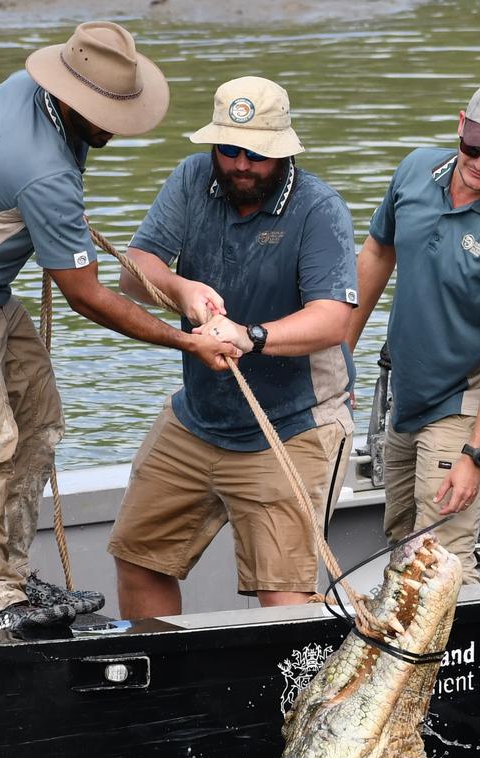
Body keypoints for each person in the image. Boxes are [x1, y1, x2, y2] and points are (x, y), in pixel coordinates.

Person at [0, 22, 240, 632]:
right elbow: (88, 297)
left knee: (39, 419)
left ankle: (14, 576)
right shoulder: (41, 169)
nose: (112, 127)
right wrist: (183, 338)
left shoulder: (33, 93)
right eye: (105, 115)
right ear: (71, 99)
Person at [109, 76, 358, 618]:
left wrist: (251, 337)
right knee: (138, 559)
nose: (240, 164)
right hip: (198, 417)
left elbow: (333, 320)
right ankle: (165, 689)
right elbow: (135, 273)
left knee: (282, 594)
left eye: (256, 153)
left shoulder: (320, 209)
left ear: (283, 150)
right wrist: (181, 288)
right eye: (228, 149)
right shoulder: (192, 178)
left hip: (292, 426)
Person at [347, 81, 480, 584]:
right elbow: (375, 255)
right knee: (400, 543)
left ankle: (447, 662)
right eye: (473, 147)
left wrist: (474, 456)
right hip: (407, 399)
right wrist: (339, 359)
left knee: (436, 564)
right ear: (460, 124)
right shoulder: (415, 170)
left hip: (463, 408)